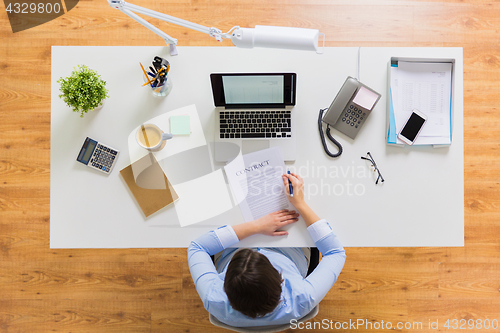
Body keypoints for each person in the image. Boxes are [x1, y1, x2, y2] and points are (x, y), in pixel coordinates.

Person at [187, 172, 346, 327]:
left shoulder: (213, 297)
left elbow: (197, 247)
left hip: (238, 239)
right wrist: (300, 204)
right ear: (280, 279)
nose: (256, 251)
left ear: (225, 287)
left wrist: (256, 227)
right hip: (290, 250)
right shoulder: (303, 297)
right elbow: (335, 252)